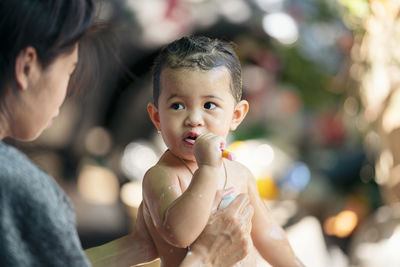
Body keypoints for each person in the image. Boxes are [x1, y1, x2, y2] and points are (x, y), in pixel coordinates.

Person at [0, 1, 254, 266]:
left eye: (209, 105)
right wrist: (205, 257)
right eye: (70, 71)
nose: (68, 90)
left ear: (237, 114)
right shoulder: (19, 187)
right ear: (27, 67)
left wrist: (139, 246)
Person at [144, 35, 305, 267]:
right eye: (177, 105)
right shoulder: (163, 176)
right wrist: (208, 170)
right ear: (157, 118)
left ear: (236, 116)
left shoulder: (240, 174)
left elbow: (267, 234)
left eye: (209, 105)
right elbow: (180, 233)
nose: (194, 119)